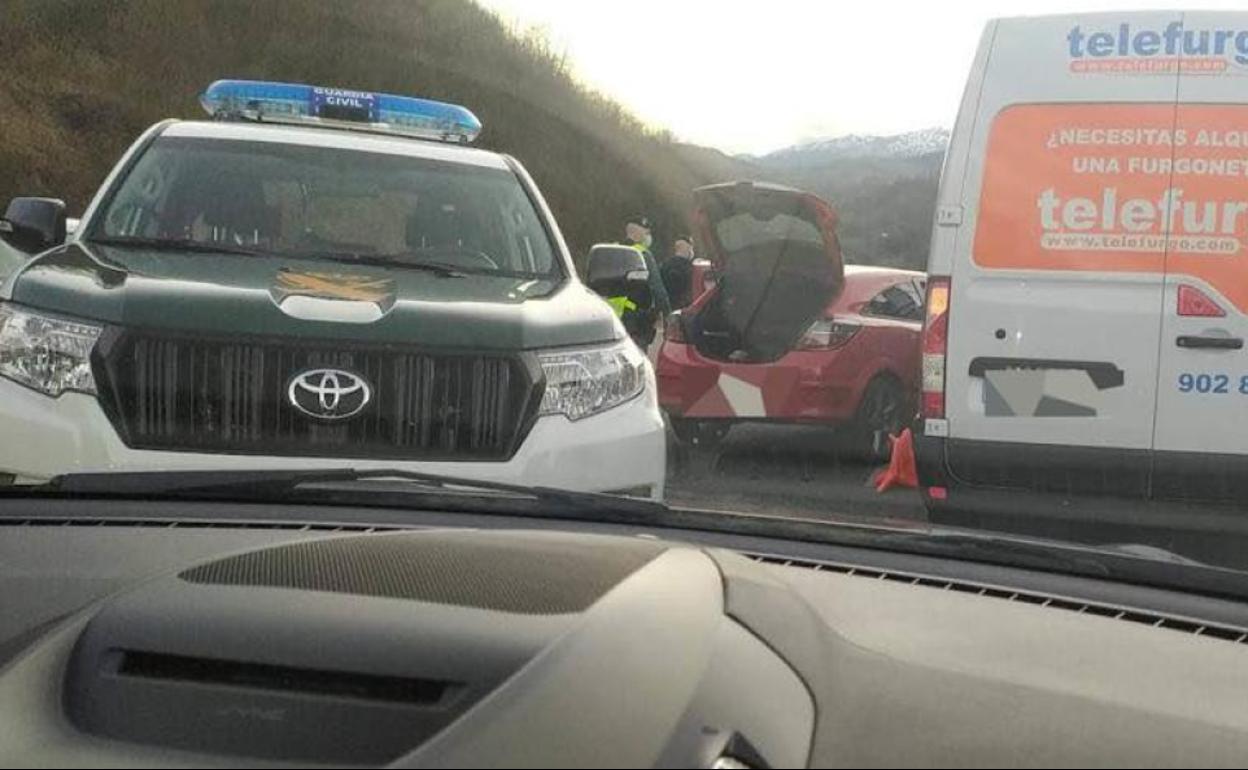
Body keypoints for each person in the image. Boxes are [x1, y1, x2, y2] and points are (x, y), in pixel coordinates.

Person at [660, 234, 696, 309]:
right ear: (689, 248)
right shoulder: (690, 268)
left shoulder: (664, 265)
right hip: (686, 309)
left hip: (669, 308)